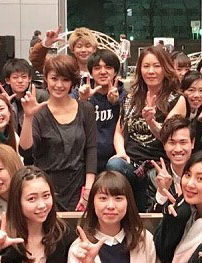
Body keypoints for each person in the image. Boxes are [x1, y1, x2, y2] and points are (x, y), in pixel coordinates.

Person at [108, 46, 186, 212]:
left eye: (157, 66)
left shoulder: (176, 99)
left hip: (158, 165)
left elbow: (169, 137)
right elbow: (119, 132)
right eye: (146, 66)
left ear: (165, 69)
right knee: (114, 165)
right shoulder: (130, 99)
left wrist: (151, 123)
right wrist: (121, 152)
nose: (151, 71)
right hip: (131, 163)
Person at [20, 54, 97, 211]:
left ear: (72, 82)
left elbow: (91, 150)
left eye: (65, 79)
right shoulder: (38, 112)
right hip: (45, 188)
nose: (59, 85)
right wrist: (28, 117)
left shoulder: (86, 109)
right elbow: (26, 152)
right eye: (54, 78)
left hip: (78, 186)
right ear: (46, 79)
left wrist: (89, 189)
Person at [0, 166, 77, 263]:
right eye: (32, 199)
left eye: (46, 196)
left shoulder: (64, 233)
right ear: (17, 202)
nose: (42, 205)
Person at [68, 171, 160, 263]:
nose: (111, 206)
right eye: (103, 198)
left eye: (118, 198)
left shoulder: (144, 239)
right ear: (93, 203)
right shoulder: (80, 248)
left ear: (128, 202)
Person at [78, 50, 126, 173]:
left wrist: (115, 104)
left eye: (108, 67)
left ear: (115, 72)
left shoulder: (125, 97)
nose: (103, 72)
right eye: (97, 68)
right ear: (91, 72)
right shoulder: (79, 94)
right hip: (84, 161)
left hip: (114, 162)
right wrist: (83, 100)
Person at [150, 116, 194, 212]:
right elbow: (149, 217)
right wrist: (162, 192)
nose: (178, 149)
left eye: (183, 142)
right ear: (164, 145)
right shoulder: (153, 176)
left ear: (192, 143)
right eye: (172, 143)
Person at [2, 58, 48, 134]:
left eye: (24, 77)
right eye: (15, 77)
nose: (20, 81)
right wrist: (5, 106)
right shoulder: (2, 97)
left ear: (29, 78)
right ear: (8, 80)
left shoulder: (41, 95)